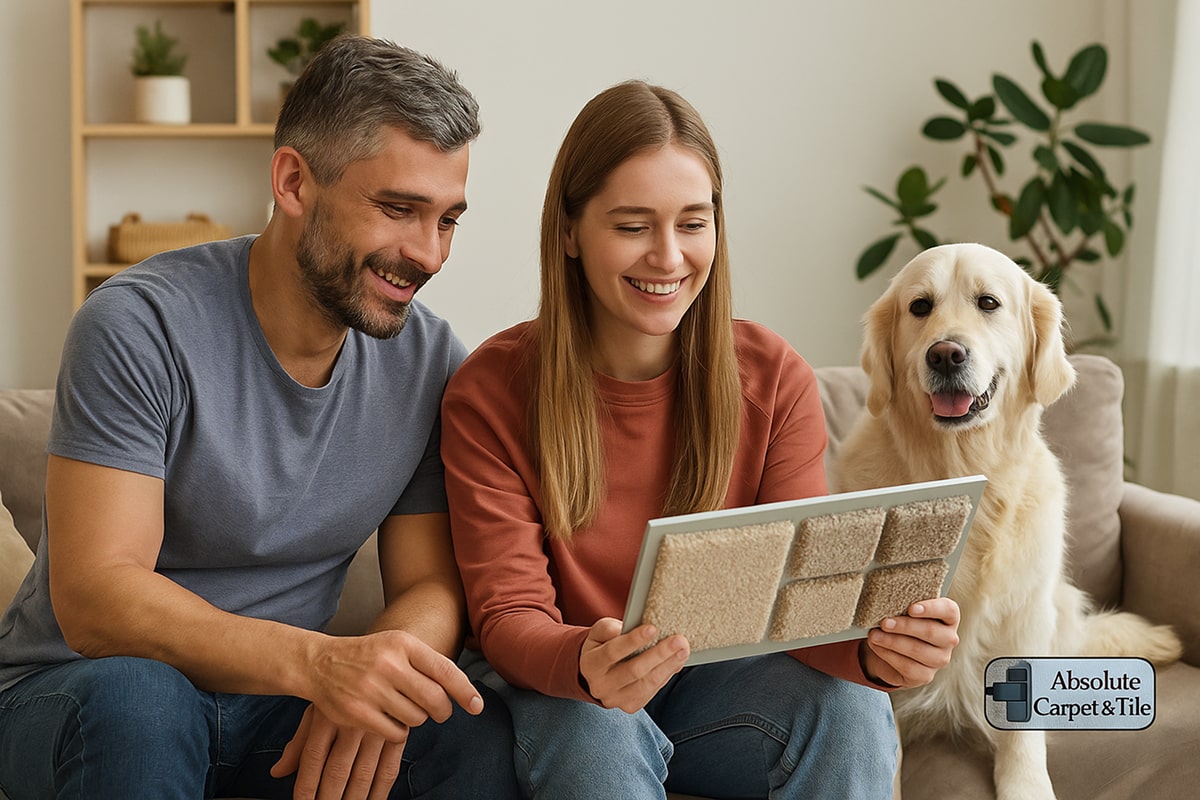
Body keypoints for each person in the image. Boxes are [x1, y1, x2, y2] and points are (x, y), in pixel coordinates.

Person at [0, 35, 520, 800]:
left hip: (279, 709)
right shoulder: (138, 325)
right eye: (398, 210)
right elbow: (98, 598)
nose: (429, 254)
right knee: (141, 703)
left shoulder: (433, 364)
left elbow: (433, 584)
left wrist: (378, 673)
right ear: (293, 182)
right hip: (81, 692)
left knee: (473, 736)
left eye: (447, 220)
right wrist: (319, 664)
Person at [440, 80, 963, 799]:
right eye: (631, 225)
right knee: (599, 728)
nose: (668, 256)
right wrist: (587, 662)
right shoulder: (490, 391)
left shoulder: (772, 375)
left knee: (851, 705)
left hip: (713, 688)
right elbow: (508, 616)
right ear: (569, 231)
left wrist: (879, 653)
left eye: (693, 222)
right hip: (559, 686)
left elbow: (802, 603)